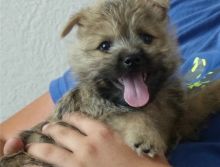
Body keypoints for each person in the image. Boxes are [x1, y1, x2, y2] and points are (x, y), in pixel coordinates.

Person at [1, 0, 220, 166]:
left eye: (145, 38)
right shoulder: (188, 8)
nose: (130, 55)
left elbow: (180, 119)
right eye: (105, 46)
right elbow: (5, 137)